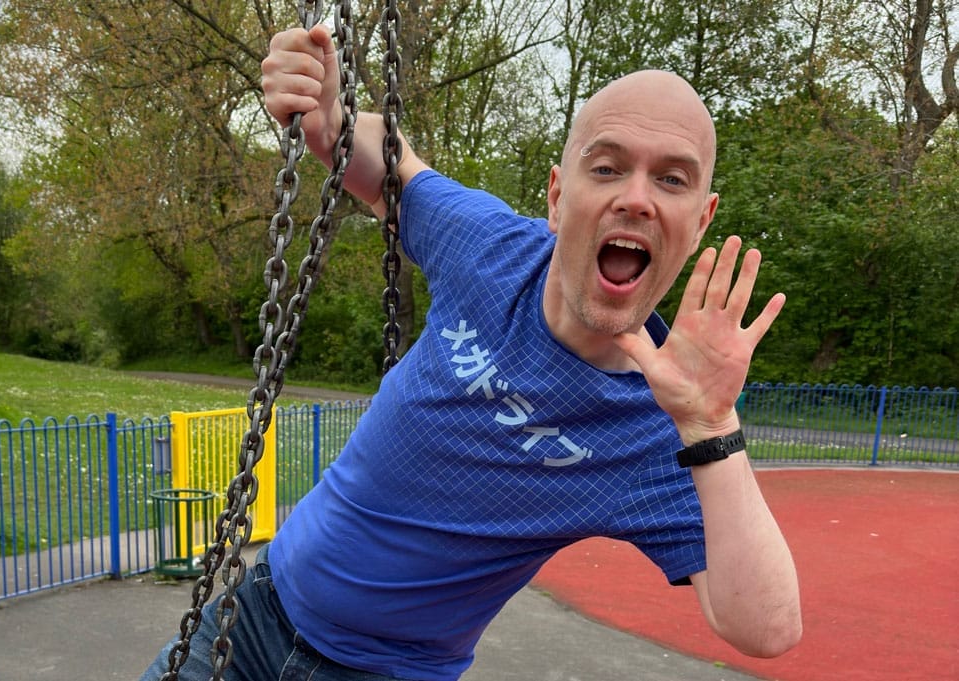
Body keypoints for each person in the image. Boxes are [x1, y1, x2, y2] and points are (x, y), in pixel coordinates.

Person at [141, 24, 802, 681]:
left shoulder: (660, 423)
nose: (635, 198)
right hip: (251, 615)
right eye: (606, 167)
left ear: (701, 221)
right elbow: (392, 165)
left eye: (672, 179)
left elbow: (766, 626)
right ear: (556, 194)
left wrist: (711, 423)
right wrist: (330, 116)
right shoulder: (487, 250)